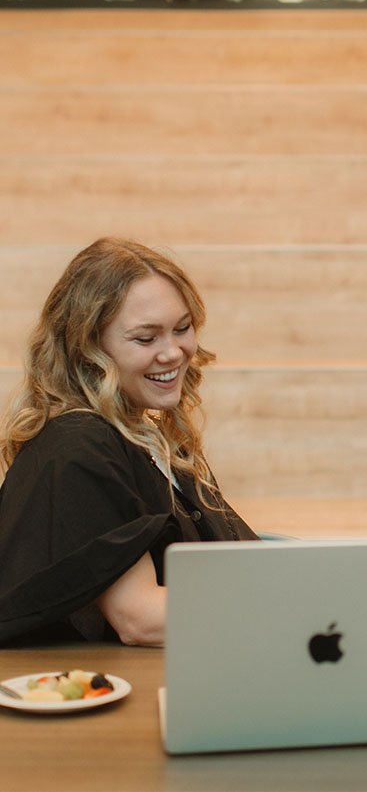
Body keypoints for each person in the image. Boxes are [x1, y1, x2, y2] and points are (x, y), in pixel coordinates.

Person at [0, 237, 258, 647]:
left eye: (182, 328)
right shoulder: (79, 446)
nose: (173, 352)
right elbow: (141, 618)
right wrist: (290, 607)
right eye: (145, 338)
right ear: (87, 348)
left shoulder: (147, 434)